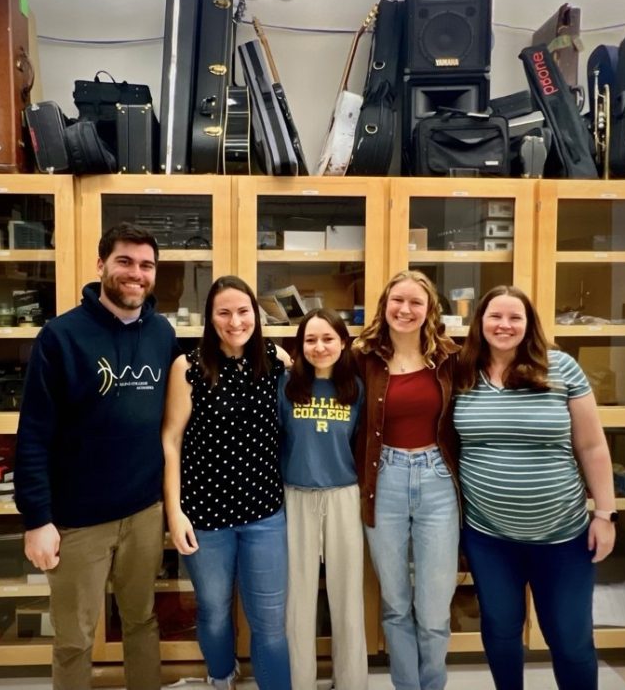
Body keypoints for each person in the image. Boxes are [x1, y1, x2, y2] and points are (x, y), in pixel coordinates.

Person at [15, 223, 178, 690]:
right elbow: (33, 435)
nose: (136, 273)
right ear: (101, 264)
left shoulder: (162, 333)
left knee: (142, 621)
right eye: (125, 261)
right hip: (78, 522)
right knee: (74, 638)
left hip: (144, 512)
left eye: (146, 265)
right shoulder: (60, 336)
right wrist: (37, 519)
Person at [452, 285, 616, 690]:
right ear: (480, 322)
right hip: (489, 537)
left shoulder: (560, 367)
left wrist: (605, 514)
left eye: (515, 317)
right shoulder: (461, 371)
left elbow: (592, 446)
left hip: (564, 536)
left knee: (571, 638)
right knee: (501, 630)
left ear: (529, 324)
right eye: (495, 316)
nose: (504, 325)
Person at [162, 275, 291, 690]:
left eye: (243, 311)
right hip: (205, 517)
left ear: (256, 314)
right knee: (215, 611)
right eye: (224, 313)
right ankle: (221, 676)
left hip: (265, 515)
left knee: (269, 621)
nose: (235, 322)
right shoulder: (188, 367)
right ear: (210, 317)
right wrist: (174, 512)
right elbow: (171, 440)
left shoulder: (276, 360)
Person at [352, 270, 461, 690]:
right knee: (396, 604)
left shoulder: (450, 357)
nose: (405, 309)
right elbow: (319, 369)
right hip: (384, 481)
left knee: (433, 610)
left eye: (416, 302)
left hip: (437, 480)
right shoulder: (362, 358)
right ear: (385, 306)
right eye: (398, 300)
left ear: (430, 309)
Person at [279, 308, 368, 690]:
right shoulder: (285, 386)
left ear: (343, 342)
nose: (319, 347)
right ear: (299, 345)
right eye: (310, 340)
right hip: (295, 496)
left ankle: (350, 681)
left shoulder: (356, 389)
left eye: (328, 338)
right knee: (296, 598)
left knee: (347, 595)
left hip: (343, 496)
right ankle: (299, 681)